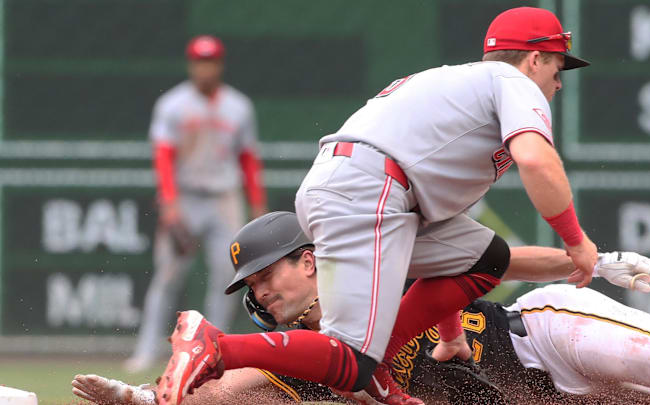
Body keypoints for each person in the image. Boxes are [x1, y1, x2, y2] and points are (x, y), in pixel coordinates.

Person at [155, 7, 604, 404]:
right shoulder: (515, 82)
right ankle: (217, 346)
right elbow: (536, 161)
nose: (558, 82)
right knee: (351, 363)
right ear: (535, 58)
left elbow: (449, 250)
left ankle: (381, 358)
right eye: (557, 67)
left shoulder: (453, 85)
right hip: (372, 193)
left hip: (362, 189)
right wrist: (576, 241)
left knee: (488, 258)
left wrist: (450, 335)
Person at [72, 212, 650, 405]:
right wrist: (144, 398)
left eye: (266, 274)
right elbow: (229, 385)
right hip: (545, 398)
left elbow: (492, 259)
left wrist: (593, 263)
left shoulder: (368, 265)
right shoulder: (300, 357)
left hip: (543, 338)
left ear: (306, 260)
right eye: (250, 286)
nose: (260, 293)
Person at [124, 34, 268, 373]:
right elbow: (163, 156)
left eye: (211, 61)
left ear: (220, 64)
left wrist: (257, 203)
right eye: (200, 61)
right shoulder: (173, 105)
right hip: (186, 197)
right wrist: (170, 203)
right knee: (168, 275)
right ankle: (146, 351)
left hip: (223, 197)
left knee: (226, 275)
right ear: (192, 64)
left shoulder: (238, 106)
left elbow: (248, 158)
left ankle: (215, 351)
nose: (205, 68)